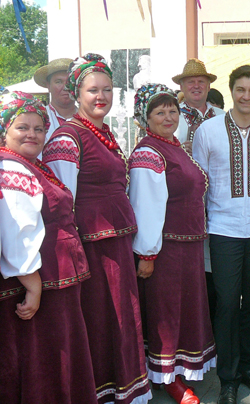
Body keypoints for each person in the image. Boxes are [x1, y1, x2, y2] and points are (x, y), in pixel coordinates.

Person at [42, 54, 151, 404]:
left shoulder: (101, 132)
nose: (100, 96)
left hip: (114, 242)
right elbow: (61, 205)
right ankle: (100, 391)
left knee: (119, 317)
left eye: (106, 89)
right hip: (91, 246)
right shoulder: (67, 138)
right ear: (77, 93)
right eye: (92, 90)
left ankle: (123, 387)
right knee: (101, 320)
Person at [0, 91, 97, 403]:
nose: (32, 134)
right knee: (44, 355)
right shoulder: (12, 169)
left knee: (57, 352)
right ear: (5, 131)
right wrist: (32, 285)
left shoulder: (31, 165)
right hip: (42, 280)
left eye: (39, 128)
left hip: (56, 276)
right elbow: (16, 229)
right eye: (22, 127)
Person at [193, 65, 250, 404]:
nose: (247, 96)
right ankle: (227, 377)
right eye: (241, 89)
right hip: (223, 229)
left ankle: (247, 364)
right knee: (228, 303)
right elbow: (199, 181)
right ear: (231, 90)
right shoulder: (209, 130)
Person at [129, 83, 216, 404]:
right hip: (165, 250)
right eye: (160, 112)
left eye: (173, 111)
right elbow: (146, 207)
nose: (168, 117)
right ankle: (168, 377)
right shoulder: (148, 153)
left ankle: (178, 370)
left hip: (186, 249)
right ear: (145, 118)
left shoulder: (173, 146)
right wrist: (148, 253)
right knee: (167, 312)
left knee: (182, 309)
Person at [172, 58, 224, 151]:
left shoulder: (222, 116)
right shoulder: (172, 115)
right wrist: (179, 151)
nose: (196, 86)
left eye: (201, 81)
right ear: (182, 87)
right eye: (191, 82)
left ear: (208, 87)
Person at [33, 58, 77, 142]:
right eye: (58, 82)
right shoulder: (37, 118)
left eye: (69, 82)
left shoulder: (87, 119)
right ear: (48, 86)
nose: (65, 87)